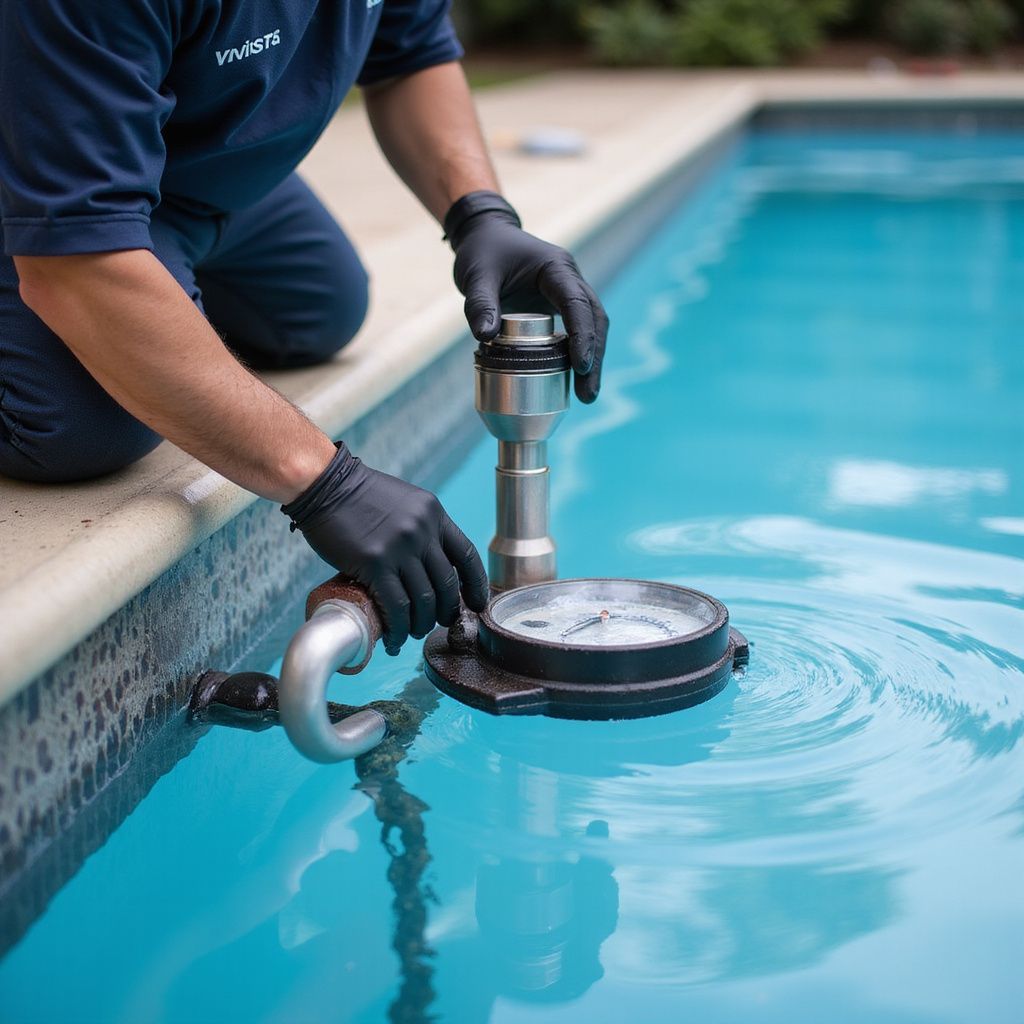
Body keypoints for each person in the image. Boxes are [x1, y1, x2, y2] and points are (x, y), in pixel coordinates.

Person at [0, 0, 608, 655]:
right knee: (78, 427)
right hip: (52, 177)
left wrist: (481, 216)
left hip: (198, 175)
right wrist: (325, 483)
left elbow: (410, 54)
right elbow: (76, 273)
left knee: (320, 310)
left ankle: (161, 266)